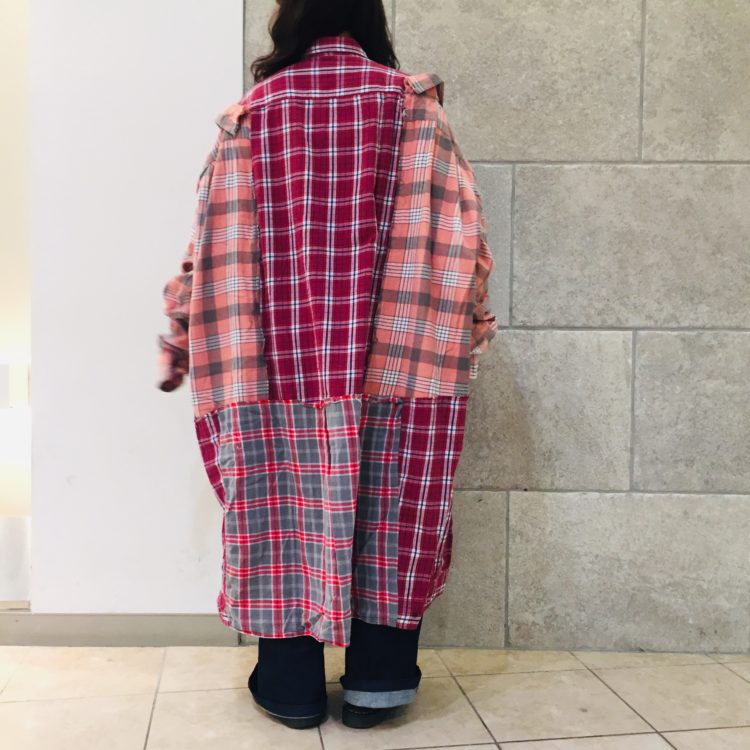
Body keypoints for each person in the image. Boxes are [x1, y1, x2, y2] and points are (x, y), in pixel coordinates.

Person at [156, 0, 497, 732]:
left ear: (292, 18)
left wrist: (180, 331)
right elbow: (464, 235)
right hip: (404, 363)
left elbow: (205, 245)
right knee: (396, 502)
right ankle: (380, 682)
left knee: (275, 502)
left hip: (266, 367)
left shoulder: (248, 120)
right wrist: (473, 321)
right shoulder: (415, 112)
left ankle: (290, 686)